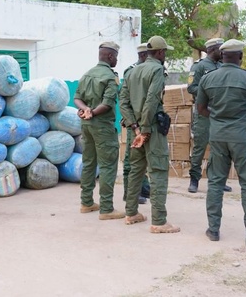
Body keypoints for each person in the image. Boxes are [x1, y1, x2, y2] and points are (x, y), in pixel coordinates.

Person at [196, 39, 246, 247]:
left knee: (215, 183)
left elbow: (201, 109)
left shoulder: (208, 78)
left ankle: (213, 230)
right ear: (240, 57)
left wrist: (219, 118)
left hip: (218, 136)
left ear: (222, 56)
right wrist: (242, 118)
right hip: (242, 137)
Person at [119, 35, 180, 234]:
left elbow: (123, 103)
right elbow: (152, 100)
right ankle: (159, 221)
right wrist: (145, 129)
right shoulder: (157, 70)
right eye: (165, 53)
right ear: (160, 52)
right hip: (151, 130)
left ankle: (131, 213)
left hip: (136, 130)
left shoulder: (133, 71)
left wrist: (135, 128)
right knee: (158, 171)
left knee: (136, 170)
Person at [74, 41, 125, 220]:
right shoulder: (109, 77)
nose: (116, 61)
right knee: (107, 166)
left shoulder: (87, 74)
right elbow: (107, 103)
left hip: (86, 126)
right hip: (102, 126)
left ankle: (86, 202)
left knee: (88, 163)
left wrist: (85, 110)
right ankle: (106, 208)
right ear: (110, 56)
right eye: (116, 57)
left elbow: (77, 98)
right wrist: (93, 112)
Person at [186, 37, 232, 193]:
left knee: (219, 148)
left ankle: (218, 180)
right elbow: (192, 87)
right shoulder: (199, 66)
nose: (223, 51)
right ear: (212, 50)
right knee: (199, 147)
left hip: (220, 112)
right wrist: (209, 92)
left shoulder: (223, 66)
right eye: (221, 48)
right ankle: (194, 180)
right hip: (204, 113)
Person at [122, 42, 151, 205]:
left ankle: (144, 187)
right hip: (134, 121)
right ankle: (129, 192)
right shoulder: (131, 71)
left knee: (145, 157)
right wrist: (132, 122)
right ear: (143, 55)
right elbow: (126, 99)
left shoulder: (152, 70)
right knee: (131, 158)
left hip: (146, 119)